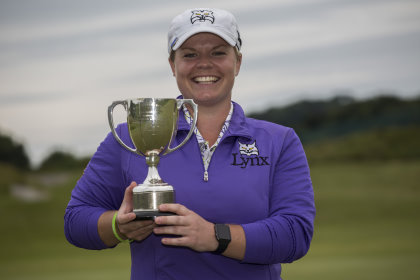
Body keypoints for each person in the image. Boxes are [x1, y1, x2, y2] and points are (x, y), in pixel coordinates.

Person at [64, 8, 315, 279]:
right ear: (173, 65)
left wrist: (213, 236)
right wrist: (117, 226)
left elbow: (295, 234)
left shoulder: (279, 141)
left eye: (218, 52)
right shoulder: (127, 138)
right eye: (190, 54)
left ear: (237, 62)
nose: (204, 64)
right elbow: (76, 221)